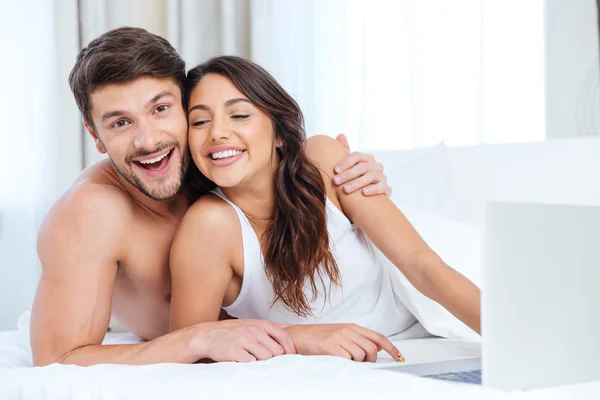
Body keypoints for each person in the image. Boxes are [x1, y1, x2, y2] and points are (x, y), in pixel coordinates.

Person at [29, 27, 396, 367]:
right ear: (94, 135)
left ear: (188, 105)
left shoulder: (213, 162)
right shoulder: (92, 211)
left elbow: (289, 158)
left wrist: (354, 172)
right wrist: (197, 340)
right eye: (120, 123)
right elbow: (56, 359)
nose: (149, 140)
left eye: (160, 109)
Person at [169, 56, 481, 363]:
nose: (217, 133)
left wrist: (513, 338)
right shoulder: (208, 226)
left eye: (239, 115)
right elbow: (192, 346)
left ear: (278, 133)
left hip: (444, 284)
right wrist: (299, 337)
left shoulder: (321, 158)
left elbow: (422, 265)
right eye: (200, 121)